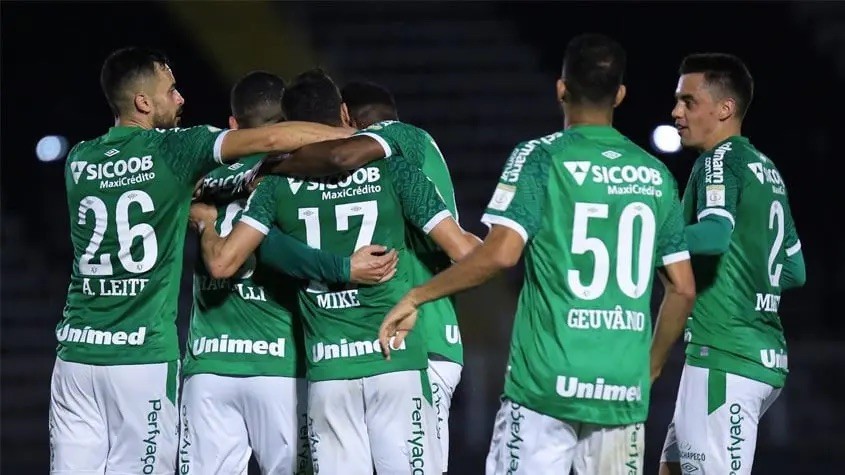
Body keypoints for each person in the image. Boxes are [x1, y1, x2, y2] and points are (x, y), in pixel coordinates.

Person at [378, 33, 697, 475]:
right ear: (620, 95)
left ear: (561, 89)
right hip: (622, 390)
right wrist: (652, 366)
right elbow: (682, 288)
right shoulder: (656, 175)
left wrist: (417, 296)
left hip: (545, 385)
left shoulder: (539, 158)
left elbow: (500, 255)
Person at [50, 47, 349, 474]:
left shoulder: (79, 160)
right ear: (143, 102)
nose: (181, 99)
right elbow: (270, 138)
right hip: (141, 359)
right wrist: (364, 140)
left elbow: (147, 199)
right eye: (171, 90)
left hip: (75, 358)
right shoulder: (174, 151)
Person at [188, 68, 479, 474]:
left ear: (291, 126)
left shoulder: (275, 183)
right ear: (345, 112)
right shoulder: (393, 168)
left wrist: (208, 214)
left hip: (329, 369)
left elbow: (225, 258)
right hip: (397, 359)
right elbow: (468, 253)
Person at [180, 71, 397, 475]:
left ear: (233, 125)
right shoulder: (295, 171)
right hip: (280, 365)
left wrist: (206, 223)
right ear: (288, 124)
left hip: (208, 365)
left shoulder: (195, 173)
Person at [659, 53, 806, 475]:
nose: (676, 112)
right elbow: (795, 270)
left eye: (688, 101)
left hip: (725, 357)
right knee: (671, 469)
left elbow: (714, 234)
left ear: (725, 109)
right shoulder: (767, 170)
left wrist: (643, 240)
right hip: (762, 358)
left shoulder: (720, 161)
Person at [341, 80, 464, 474]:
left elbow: (343, 153)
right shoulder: (401, 164)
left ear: (346, 116)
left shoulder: (398, 136)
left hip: (421, 343)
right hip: (406, 343)